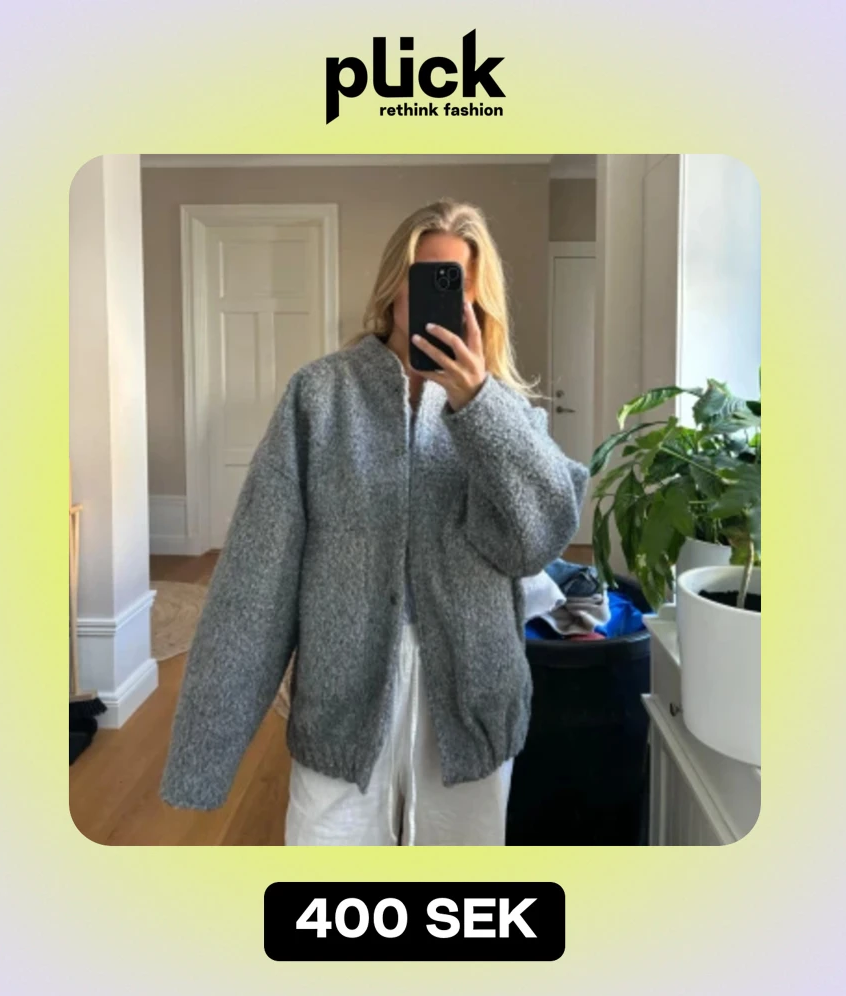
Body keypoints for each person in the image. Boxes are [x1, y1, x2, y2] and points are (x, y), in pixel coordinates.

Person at [159, 199, 590, 845]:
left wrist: (478, 406)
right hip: (341, 698)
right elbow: (257, 578)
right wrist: (207, 748)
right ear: (394, 285)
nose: (442, 300)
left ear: (479, 303)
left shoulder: (508, 412)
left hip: (471, 698)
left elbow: (537, 541)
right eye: (427, 277)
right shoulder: (320, 397)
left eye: (460, 286)